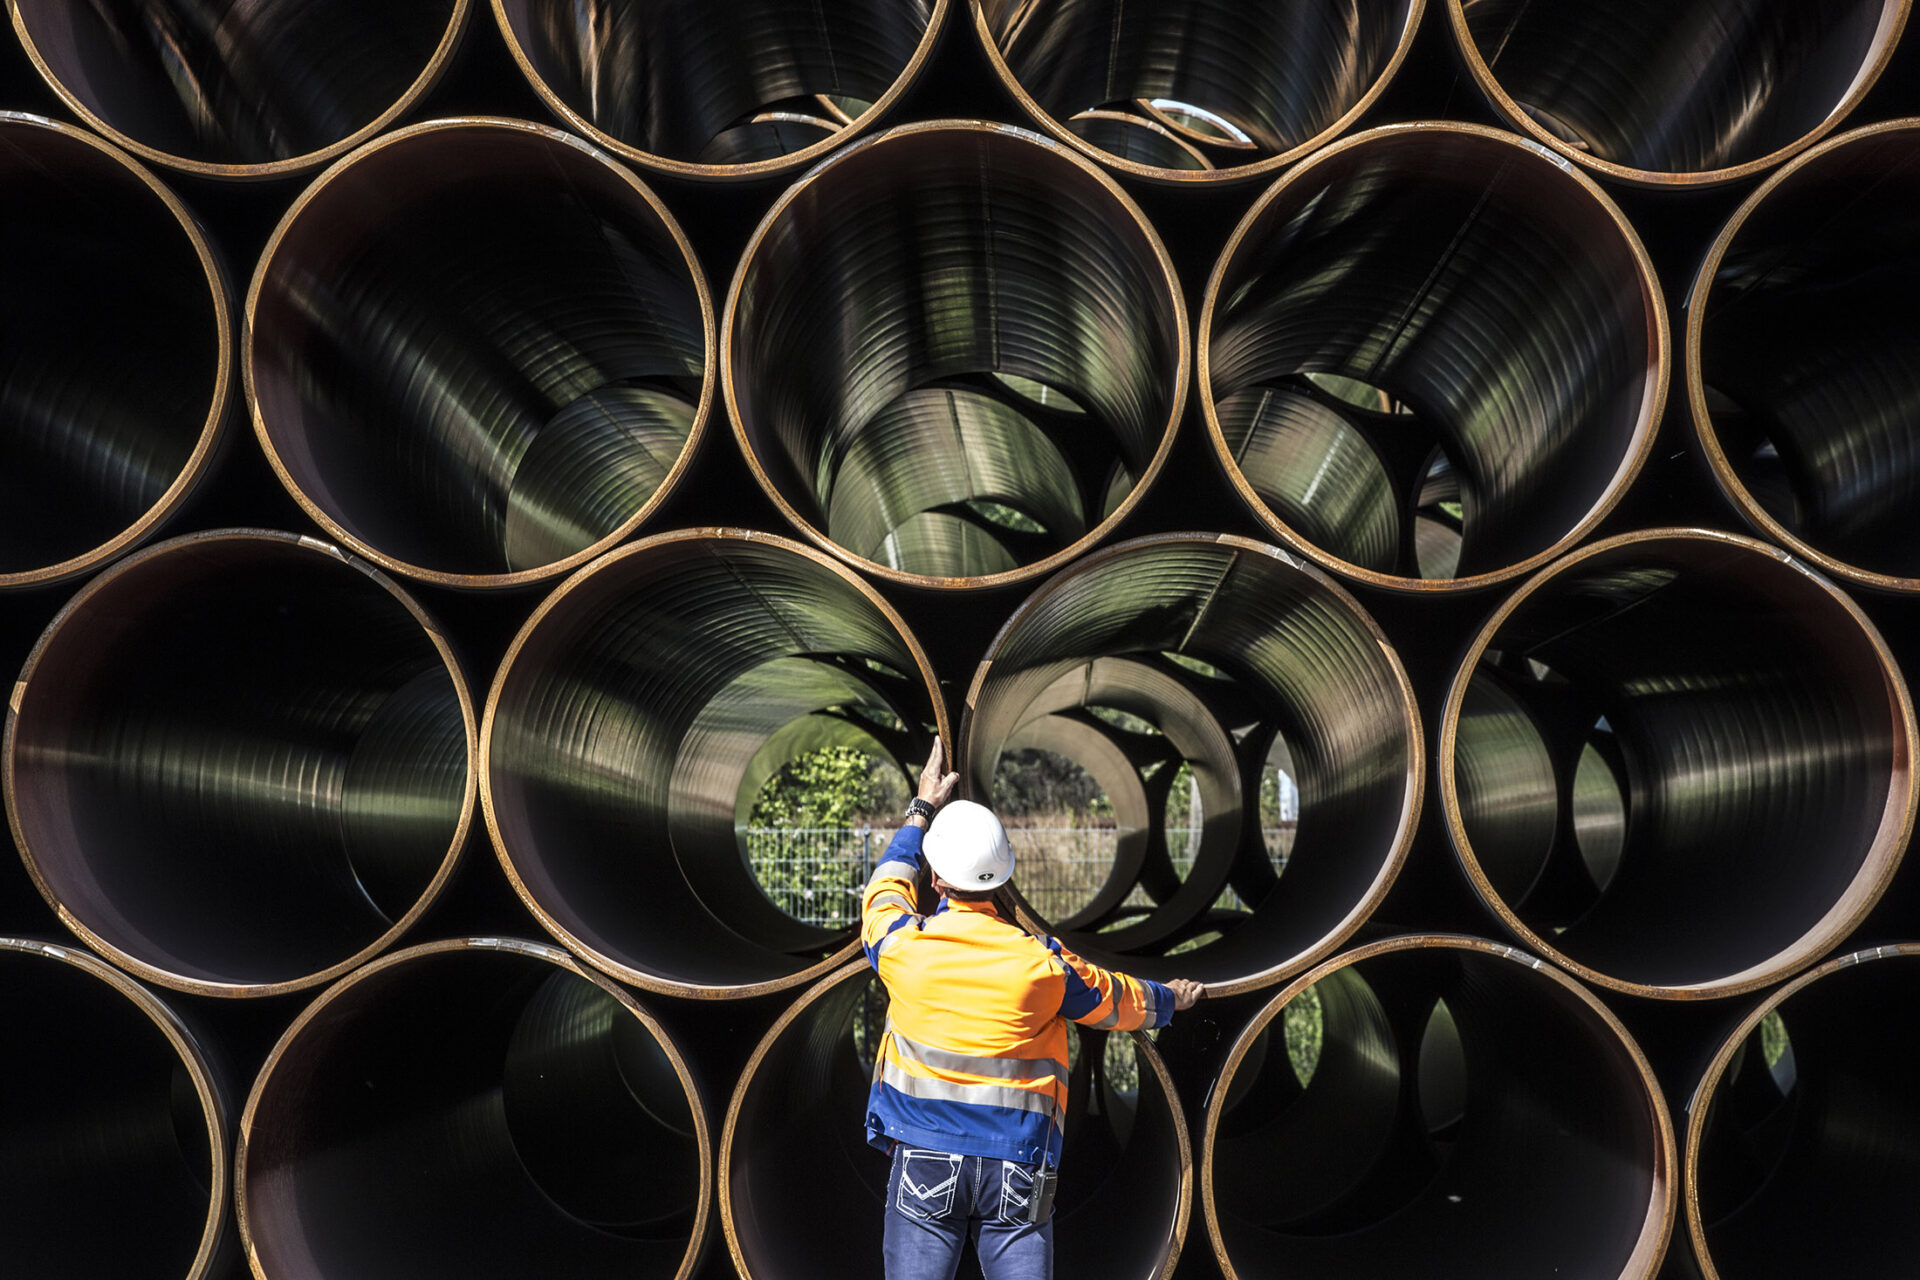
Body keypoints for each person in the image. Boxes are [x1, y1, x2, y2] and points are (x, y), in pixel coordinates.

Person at [860, 740, 1205, 1279]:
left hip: (926, 1156)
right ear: (1002, 880)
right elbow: (1115, 999)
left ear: (937, 879)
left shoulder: (904, 948)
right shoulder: (1043, 966)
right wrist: (1170, 1000)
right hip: (1017, 1163)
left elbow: (883, 891)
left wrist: (920, 810)